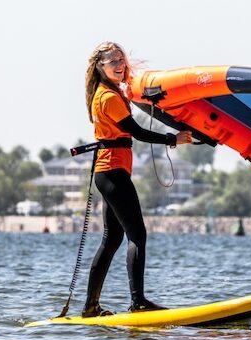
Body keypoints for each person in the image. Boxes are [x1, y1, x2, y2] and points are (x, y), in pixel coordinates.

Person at [80, 41, 193, 317]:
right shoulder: (107, 97)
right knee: (137, 236)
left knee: (112, 239)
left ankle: (91, 307)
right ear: (100, 67)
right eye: (113, 62)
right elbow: (137, 132)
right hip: (113, 173)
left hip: (108, 172)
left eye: (121, 60)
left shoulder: (108, 92)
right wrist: (172, 138)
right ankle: (138, 302)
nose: (120, 65)